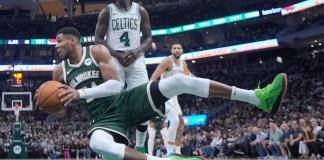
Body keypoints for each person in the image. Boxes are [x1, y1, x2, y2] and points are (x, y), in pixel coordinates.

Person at [43, 27, 287, 160]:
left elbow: (116, 86)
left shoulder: (95, 51)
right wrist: (53, 106)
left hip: (124, 101)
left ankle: (258, 98)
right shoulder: (58, 73)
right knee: (97, 143)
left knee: (178, 79)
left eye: (59, 41)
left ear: (73, 41)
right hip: (103, 120)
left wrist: (79, 93)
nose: (56, 46)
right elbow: (63, 112)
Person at [94, 0, 153, 152]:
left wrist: (137, 51)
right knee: (114, 102)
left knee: (143, 101)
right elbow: (98, 39)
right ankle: (116, 146)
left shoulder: (140, 11)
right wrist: (116, 54)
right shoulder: (107, 12)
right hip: (114, 59)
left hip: (136, 59)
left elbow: (148, 38)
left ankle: (140, 146)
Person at [150, 42, 193, 154]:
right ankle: (170, 152)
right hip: (164, 94)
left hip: (174, 97)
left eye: (179, 48)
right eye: (174, 48)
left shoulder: (183, 63)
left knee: (181, 124)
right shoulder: (167, 61)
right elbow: (155, 76)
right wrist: (150, 91)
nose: (177, 50)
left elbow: (190, 76)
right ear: (171, 51)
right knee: (174, 121)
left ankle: (177, 153)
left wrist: (203, 83)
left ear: (182, 50)